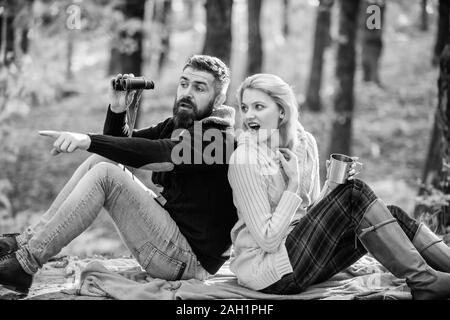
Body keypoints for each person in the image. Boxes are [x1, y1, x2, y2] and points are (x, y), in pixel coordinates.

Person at [0, 55, 238, 295]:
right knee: (101, 160)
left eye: (199, 88)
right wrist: (117, 108)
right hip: (171, 242)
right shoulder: (178, 125)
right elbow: (121, 147)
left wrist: (88, 140)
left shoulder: (218, 139)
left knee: (106, 174)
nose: (187, 93)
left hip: (188, 260)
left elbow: (161, 154)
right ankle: (24, 243)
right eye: (184, 83)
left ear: (218, 99)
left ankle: (25, 262)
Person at [227, 73, 450, 300]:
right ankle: (425, 282)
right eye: (245, 108)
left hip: (304, 258)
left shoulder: (304, 144)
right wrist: (292, 183)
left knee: (390, 214)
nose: (249, 116)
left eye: (258, 107)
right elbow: (267, 240)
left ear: (282, 111)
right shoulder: (244, 159)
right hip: (270, 273)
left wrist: (332, 187)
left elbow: (309, 213)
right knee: (355, 193)